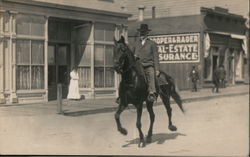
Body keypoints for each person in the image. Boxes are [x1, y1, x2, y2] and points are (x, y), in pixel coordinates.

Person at [130, 24, 160, 103]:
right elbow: (131, 54)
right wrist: (134, 56)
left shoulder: (152, 44)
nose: (141, 34)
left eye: (143, 33)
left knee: (150, 74)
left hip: (148, 65)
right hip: (137, 65)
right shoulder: (136, 43)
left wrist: (157, 69)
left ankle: (151, 93)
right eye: (141, 33)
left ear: (147, 33)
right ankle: (124, 93)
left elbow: (156, 57)